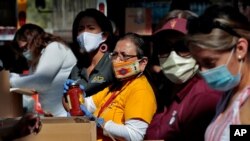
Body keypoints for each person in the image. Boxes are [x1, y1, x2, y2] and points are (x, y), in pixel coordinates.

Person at [144, 10, 221, 141]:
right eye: (164, 47)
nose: (173, 56)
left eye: (182, 47)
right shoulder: (163, 88)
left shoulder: (204, 96)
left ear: (199, 48)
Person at [65, 33, 157, 141]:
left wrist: (103, 124)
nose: (117, 60)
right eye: (114, 55)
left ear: (142, 63)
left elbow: (135, 135)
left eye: (125, 56)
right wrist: (75, 93)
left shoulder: (140, 90)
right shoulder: (116, 86)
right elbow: (88, 105)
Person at [186, 4, 250, 141]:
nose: (203, 72)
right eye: (199, 64)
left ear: (240, 49)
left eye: (210, 63)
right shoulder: (229, 95)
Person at [9, 23, 77, 117]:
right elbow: (30, 81)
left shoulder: (55, 48)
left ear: (35, 40)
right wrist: (11, 76)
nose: (24, 52)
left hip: (66, 115)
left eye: (25, 47)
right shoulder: (38, 58)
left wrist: (10, 81)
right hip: (53, 115)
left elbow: (40, 81)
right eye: (21, 50)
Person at [64, 8, 116, 97]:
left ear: (104, 36)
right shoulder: (77, 68)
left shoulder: (114, 63)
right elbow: (67, 100)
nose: (84, 34)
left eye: (91, 28)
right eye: (81, 29)